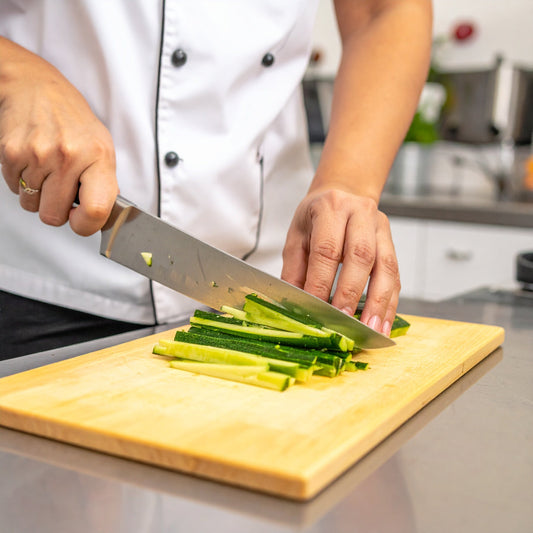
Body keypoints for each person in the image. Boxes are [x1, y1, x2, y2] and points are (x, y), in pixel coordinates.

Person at [0, 0, 433, 358]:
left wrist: (349, 180)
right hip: (37, 274)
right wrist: (17, 72)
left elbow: (385, 12)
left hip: (260, 291)